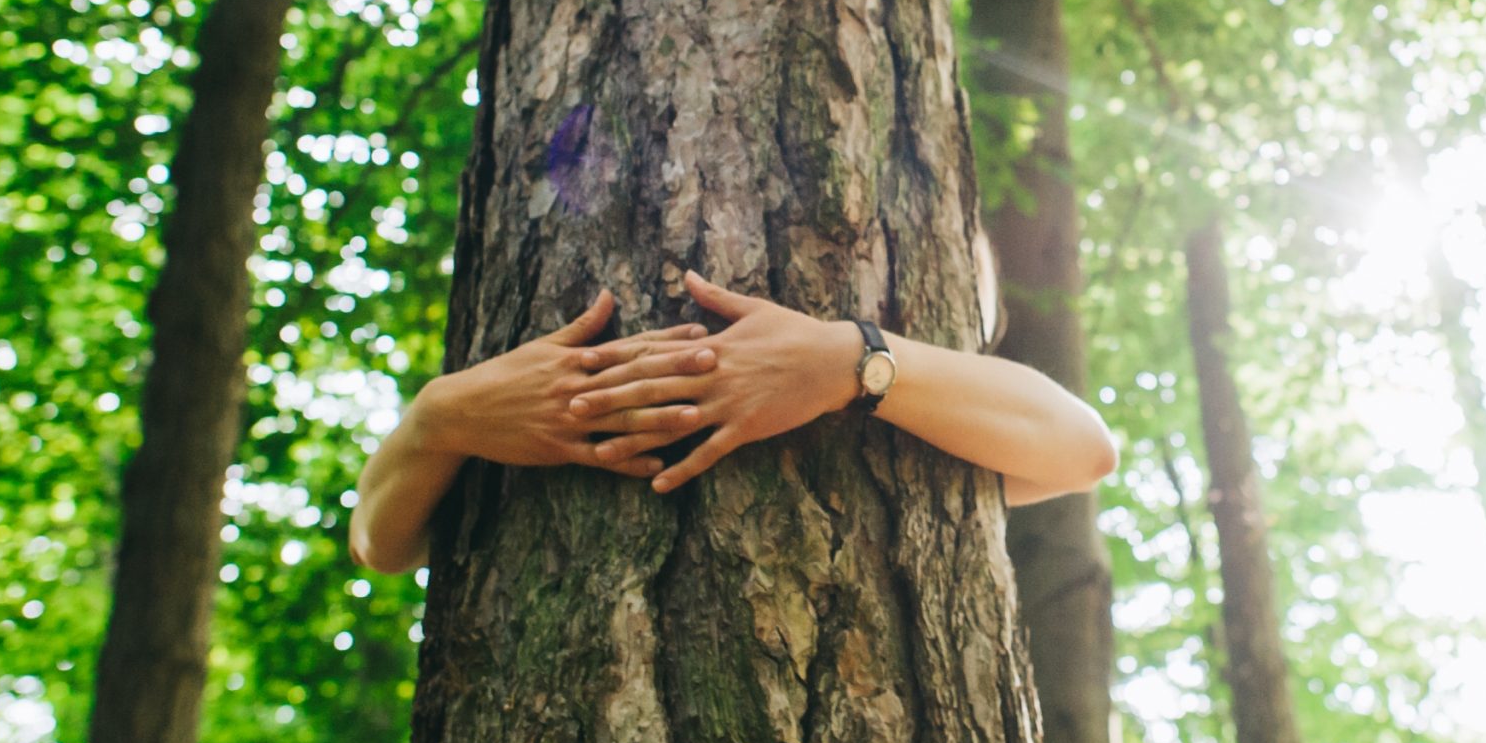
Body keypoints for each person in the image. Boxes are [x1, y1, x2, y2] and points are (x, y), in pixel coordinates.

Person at [350, 261, 1117, 575]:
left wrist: (849, 357)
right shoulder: (483, 403)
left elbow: (1082, 448)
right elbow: (382, 542)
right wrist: (438, 415)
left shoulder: (950, 415)